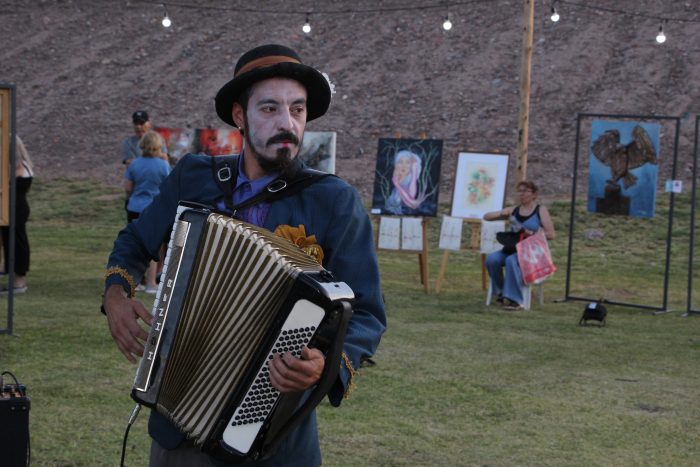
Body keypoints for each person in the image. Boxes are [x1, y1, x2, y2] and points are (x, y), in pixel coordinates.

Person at [102, 44, 386, 466]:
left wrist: (325, 364)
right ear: (240, 116)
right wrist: (116, 296)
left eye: (297, 109)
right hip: (176, 424)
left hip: (273, 433)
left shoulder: (334, 201)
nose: (286, 123)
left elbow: (366, 313)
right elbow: (135, 241)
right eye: (269, 109)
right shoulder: (194, 177)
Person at [483, 180, 555, 310]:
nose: (522, 194)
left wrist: (531, 233)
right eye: (520, 191)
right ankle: (500, 291)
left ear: (534, 194)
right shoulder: (513, 210)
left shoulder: (540, 210)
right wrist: (500, 214)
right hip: (513, 247)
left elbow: (551, 234)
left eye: (526, 191)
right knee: (492, 259)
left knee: (511, 261)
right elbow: (486, 217)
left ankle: (515, 300)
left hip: (531, 251)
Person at [124, 130, 171, 293]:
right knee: (154, 247)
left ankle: (134, 282)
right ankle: (151, 283)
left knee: (135, 245)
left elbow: (128, 187)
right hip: (154, 209)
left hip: (135, 208)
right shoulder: (164, 165)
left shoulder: (134, 164)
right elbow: (168, 188)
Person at [0, 135, 34, 294]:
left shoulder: (16, 167)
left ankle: (19, 282)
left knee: (16, 244)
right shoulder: (23, 164)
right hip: (15, 209)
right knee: (12, 243)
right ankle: (15, 277)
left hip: (15, 210)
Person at [385, 149, 421, 214]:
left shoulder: (410, 178)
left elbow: (411, 197)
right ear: (396, 164)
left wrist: (414, 171)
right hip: (392, 208)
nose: (403, 165)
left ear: (412, 166)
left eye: (407, 162)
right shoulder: (396, 177)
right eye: (400, 162)